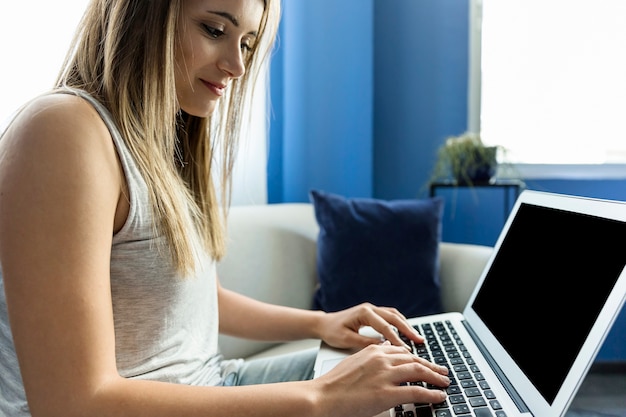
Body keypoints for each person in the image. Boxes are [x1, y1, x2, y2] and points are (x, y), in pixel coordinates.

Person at [0, 1, 450, 416]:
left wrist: (323, 324)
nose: (236, 66)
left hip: (215, 383)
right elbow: (73, 403)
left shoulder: (167, 144)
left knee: (409, 378)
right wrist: (320, 397)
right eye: (215, 29)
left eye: (248, 44)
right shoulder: (61, 133)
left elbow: (202, 301)